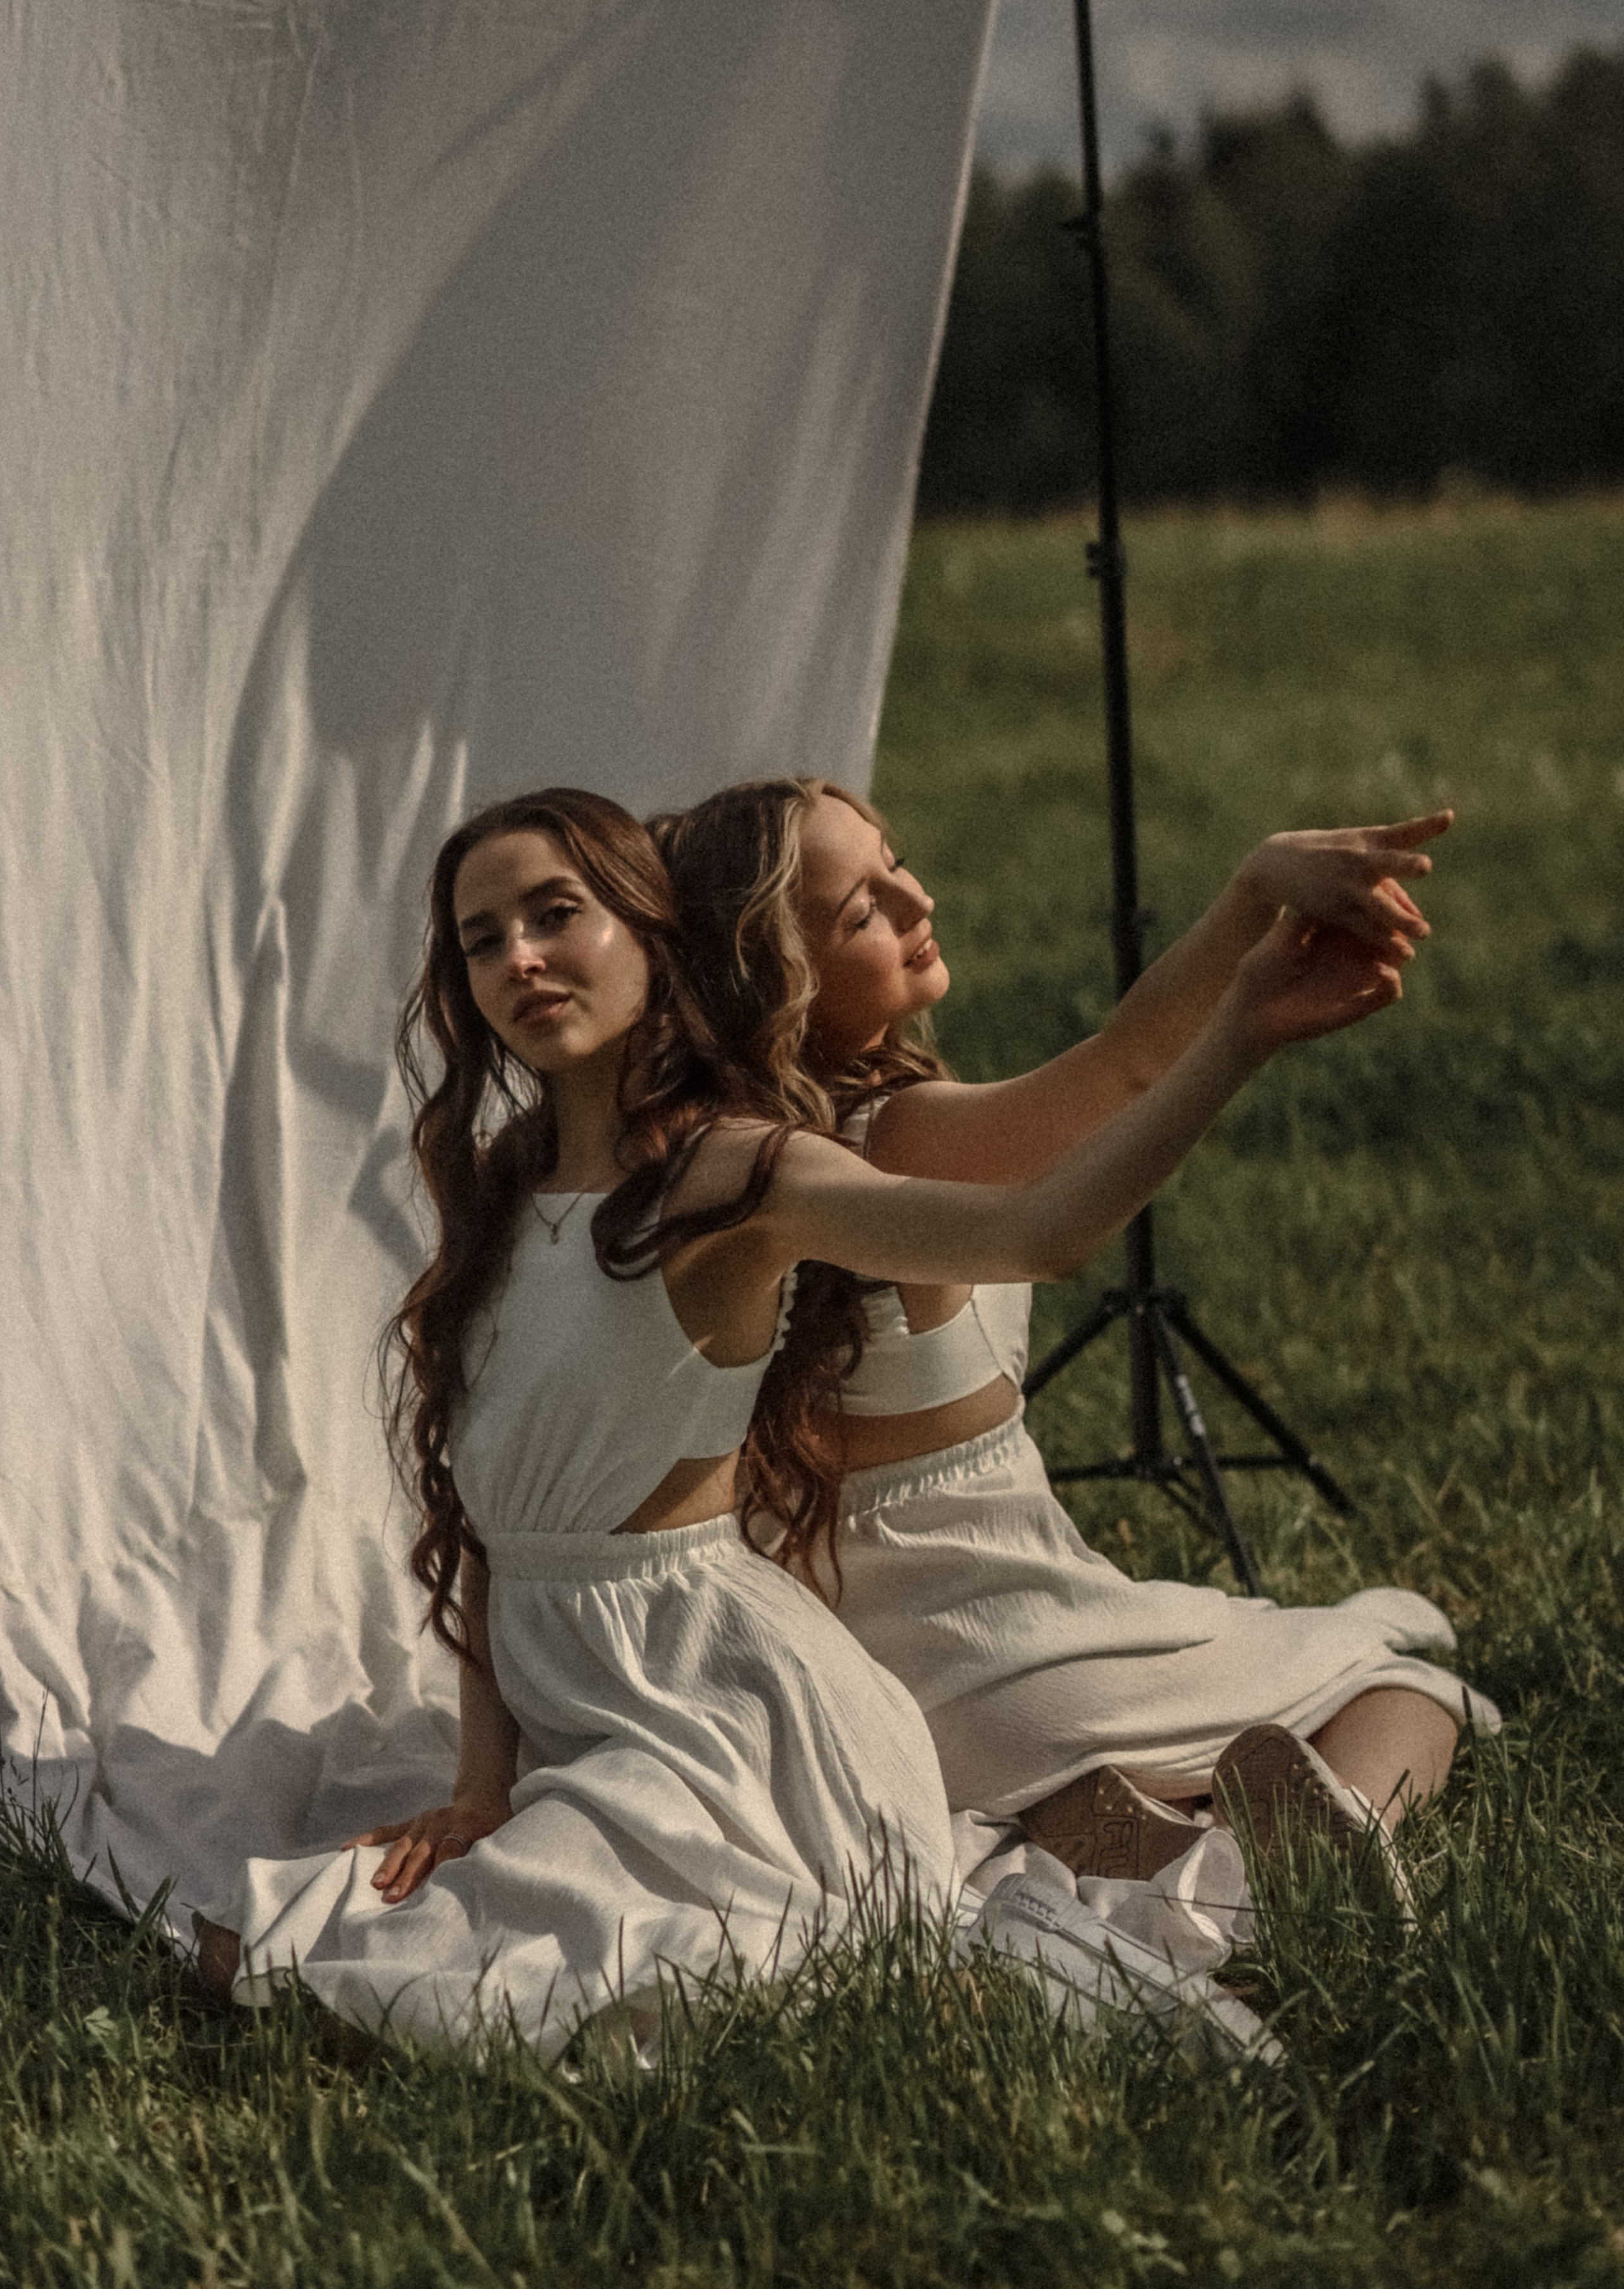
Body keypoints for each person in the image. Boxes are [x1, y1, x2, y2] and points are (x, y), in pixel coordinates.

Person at [195, 784, 1413, 2052]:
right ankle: (1105, 1864)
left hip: (714, 1710)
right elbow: (500, 1525)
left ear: (651, 942)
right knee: (254, 1949)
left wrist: (1238, 1036)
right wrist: (477, 1791)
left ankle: (1131, 1900)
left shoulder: (738, 1173)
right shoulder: (500, 1182)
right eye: (481, 938)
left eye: (556, 916)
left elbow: (1035, 1233)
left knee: (381, 1988)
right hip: (594, 1707)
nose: (519, 958)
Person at [652, 779, 1500, 1883]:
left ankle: (1113, 1814)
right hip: (1005, 1645)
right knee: (1403, 1678)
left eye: (896, 864)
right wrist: (1246, 919)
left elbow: (1122, 1052)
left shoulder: (742, 1156)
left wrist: (1251, 893)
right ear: (773, 981)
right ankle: (1322, 1844)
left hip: (870, 1670)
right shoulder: (892, 1136)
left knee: (1177, 1699)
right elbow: (1123, 1068)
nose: (919, 900)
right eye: (864, 911)